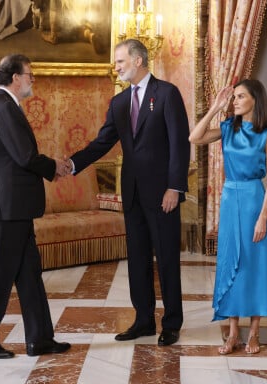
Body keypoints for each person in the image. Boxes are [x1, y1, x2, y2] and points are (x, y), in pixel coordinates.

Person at [68, 39, 190, 347]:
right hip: (133, 193)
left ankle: (172, 322)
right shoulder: (119, 102)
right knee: (137, 259)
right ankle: (144, 320)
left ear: (137, 61)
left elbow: (180, 144)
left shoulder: (166, 94)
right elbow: (102, 143)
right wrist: (71, 164)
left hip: (164, 194)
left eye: (120, 61)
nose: (116, 67)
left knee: (166, 260)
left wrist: (174, 187)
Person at [0, 54, 71, 359]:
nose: (32, 80)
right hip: (7, 207)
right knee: (4, 273)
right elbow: (25, 156)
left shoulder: (4, 106)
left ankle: (40, 338)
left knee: (29, 272)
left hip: (14, 206)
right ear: (15, 77)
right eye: (29, 75)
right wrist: (54, 166)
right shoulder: (3, 108)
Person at [189, 79, 267, 355]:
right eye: (234, 97)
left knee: (254, 263)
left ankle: (253, 333)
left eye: (241, 96)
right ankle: (232, 334)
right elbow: (194, 137)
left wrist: (263, 216)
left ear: (256, 99)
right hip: (230, 199)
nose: (235, 101)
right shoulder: (229, 127)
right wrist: (215, 108)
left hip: (255, 198)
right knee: (231, 262)